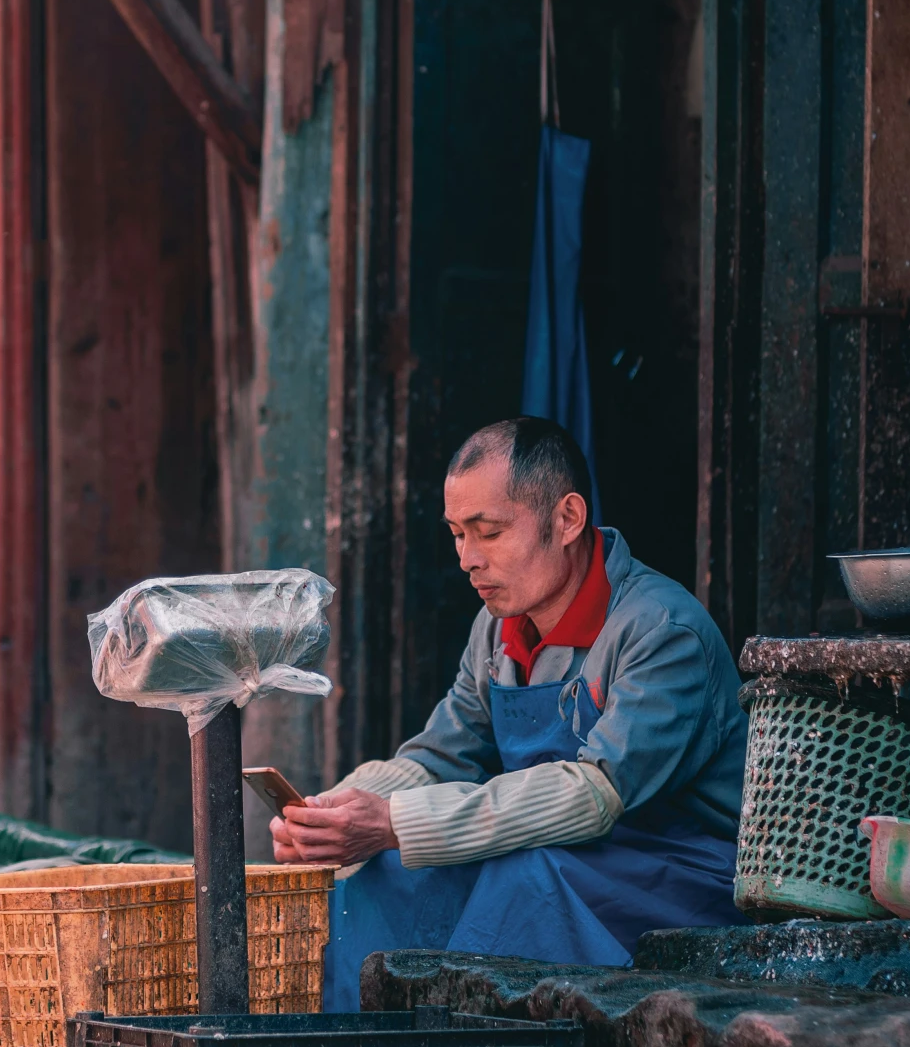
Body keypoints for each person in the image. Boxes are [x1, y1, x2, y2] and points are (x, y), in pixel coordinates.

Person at [272, 416, 747, 1007]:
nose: (467, 560)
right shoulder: (496, 629)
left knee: (519, 878)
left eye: (488, 533)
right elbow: (445, 752)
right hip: (563, 854)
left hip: (680, 872)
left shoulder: (661, 632)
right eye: (455, 534)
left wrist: (395, 823)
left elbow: (592, 795)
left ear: (567, 519)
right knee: (393, 876)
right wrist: (331, 814)